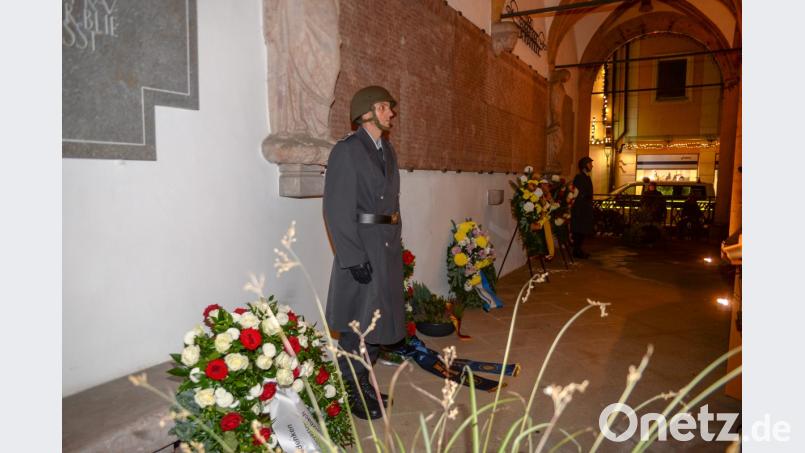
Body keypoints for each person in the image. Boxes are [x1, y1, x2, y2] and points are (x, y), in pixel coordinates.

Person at [323, 86, 404, 420]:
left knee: (376, 322)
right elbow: (336, 209)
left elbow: (393, 202)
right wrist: (353, 257)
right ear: (367, 112)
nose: (391, 113)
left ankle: (364, 382)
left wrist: (397, 239)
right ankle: (351, 389)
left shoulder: (386, 149)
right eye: (385, 107)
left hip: (385, 246)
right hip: (362, 246)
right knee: (358, 325)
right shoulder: (347, 150)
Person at [571, 156, 594, 258]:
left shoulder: (586, 177)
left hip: (585, 208)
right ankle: (577, 251)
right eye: (589, 163)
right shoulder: (579, 177)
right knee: (579, 230)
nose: (592, 165)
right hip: (580, 209)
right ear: (585, 166)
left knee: (583, 231)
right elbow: (577, 194)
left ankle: (578, 250)